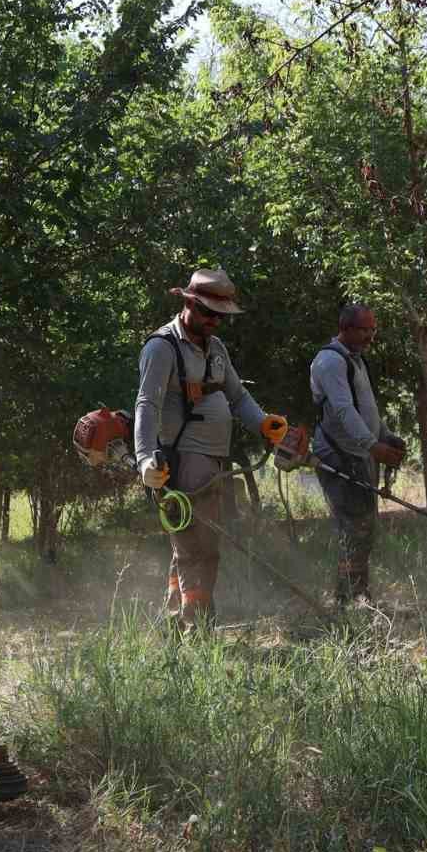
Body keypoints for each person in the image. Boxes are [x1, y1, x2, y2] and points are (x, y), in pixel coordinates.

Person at [134, 269, 288, 628]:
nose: (215, 321)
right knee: (198, 548)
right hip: (183, 460)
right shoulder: (162, 347)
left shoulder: (215, 348)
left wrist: (263, 422)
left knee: (190, 545)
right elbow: (146, 406)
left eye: (220, 315)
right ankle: (197, 627)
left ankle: (175, 618)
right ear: (188, 303)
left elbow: (237, 395)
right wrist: (143, 459)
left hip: (215, 460)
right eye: (208, 312)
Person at [311, 303, 406, 606]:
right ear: (346, 328)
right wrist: (373, 446)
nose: (370, 336)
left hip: (357, 454)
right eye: (364, 329)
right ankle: (347, 600)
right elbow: (343, 410)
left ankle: (358, 594)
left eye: (373, 329)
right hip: (339, 456)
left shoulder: (356, 361)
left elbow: (366, 409)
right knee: (352, 528)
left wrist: (385, 436)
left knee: (363, 528)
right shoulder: (330, 361)